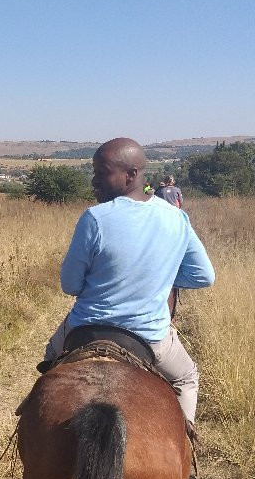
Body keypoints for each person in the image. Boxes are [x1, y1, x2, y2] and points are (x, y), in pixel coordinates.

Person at [44, 137, 214, 435]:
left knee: (49, 361)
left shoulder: (94, 217)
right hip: (149, 336)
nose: (94, 180)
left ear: (131, 175)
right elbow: (203, 276)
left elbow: (70, 285)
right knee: (186, 377)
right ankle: (187, 464)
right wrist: (157, 275)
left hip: (85, 330)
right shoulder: (176, 218)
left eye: (102, 172)